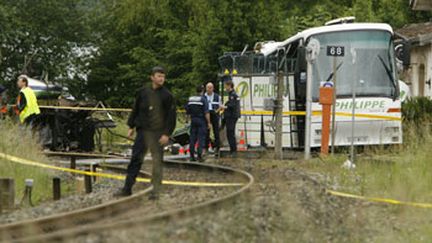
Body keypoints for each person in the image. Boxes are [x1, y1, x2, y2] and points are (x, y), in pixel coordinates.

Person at [116, 66, 177, 199]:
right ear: (152, 77)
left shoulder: (167, 96)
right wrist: (131, 126)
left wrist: (167, 134)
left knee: (157, 162)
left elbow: (171, 117)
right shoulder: (142, 92)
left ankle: (155, 191)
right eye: (158, 76)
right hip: (143, 131)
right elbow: (135, 109)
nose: (161, 79)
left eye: (163, 76)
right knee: (135, 159)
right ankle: (127, 188)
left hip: (158, 133)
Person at [186, 85, 211, 162]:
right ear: (203, 90)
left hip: (193, 120)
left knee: (192, 138)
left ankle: (191, 156)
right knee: (201, 138)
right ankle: (200, 156)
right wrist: (209, 122)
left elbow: (187, 112)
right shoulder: (203, 99)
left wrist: (187, 121)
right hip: (201, 120)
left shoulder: (190, 99)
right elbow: (206, 112)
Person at [222, 79, 240, 157]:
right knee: (229, 133)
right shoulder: (231, 94)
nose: (225, 88)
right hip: (231, 116)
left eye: (226, 86)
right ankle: (232, 150)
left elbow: (232, 106)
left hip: (231, 116)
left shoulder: (233, 95)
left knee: (230, 133)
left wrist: (224, 107)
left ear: (229, 86)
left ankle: (233, 150)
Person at [204, 82, 222, 156]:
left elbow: (221, 106)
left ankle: (217, 148)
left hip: (214, 114)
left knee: (216, 131)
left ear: (213, 88)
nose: (209, 89)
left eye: (211, 88)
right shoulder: (203, 96)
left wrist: (216, 111)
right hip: (206, 114)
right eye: (208, 87)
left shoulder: (217, 96)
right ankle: (206, 147)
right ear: (206, 88)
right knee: (206, 132)